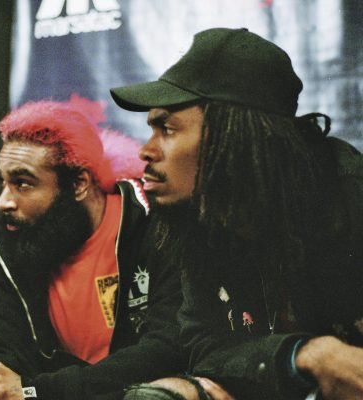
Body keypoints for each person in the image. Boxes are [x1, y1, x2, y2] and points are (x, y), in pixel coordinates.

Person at [110, 27, 363, 400]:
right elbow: (203, 344)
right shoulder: (202, 218)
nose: (145, 151)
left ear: (235, 135)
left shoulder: (347, 196)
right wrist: (302, 355)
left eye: (167, 129)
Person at [0, 95, 186, 399]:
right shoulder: (14, 240)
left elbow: (164, 350)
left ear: (79, 184)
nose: (3, 202)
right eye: (3, 182)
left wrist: (36, 391)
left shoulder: (154, 225)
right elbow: (4, 349)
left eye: (23, 183)